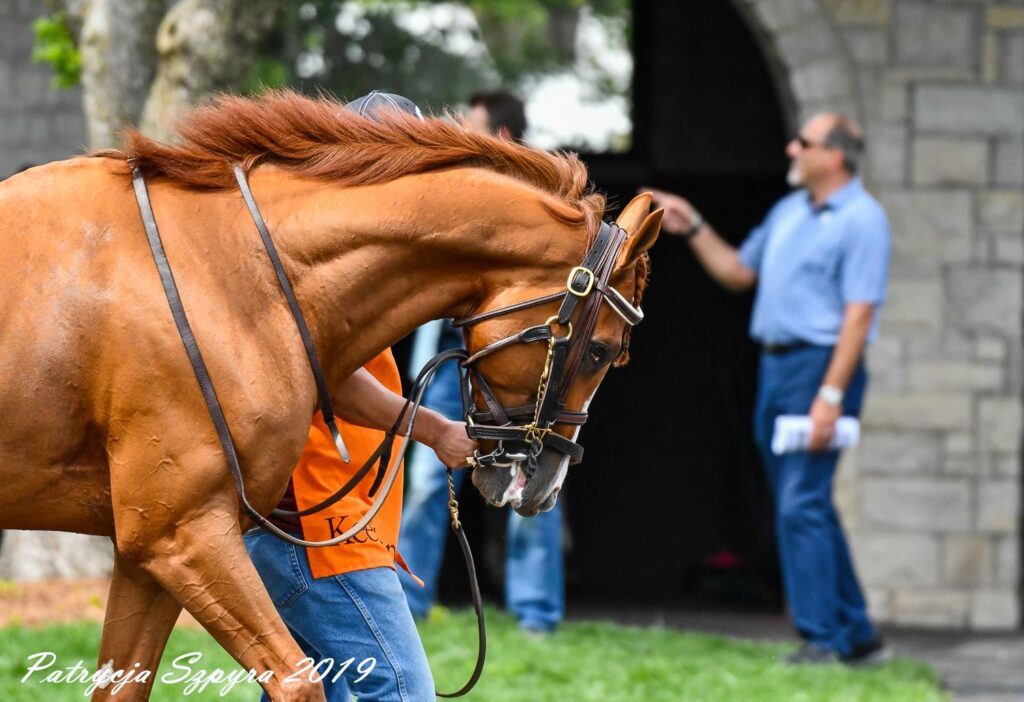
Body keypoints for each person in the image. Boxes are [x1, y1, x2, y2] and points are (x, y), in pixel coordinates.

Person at [244, 91, 477, 702]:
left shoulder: (319, 233)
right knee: (399, 691)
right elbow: (333, 378)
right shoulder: (325, 246)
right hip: (314, 528)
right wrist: (437, 430)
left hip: (298, 524)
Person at [647, 113, 891, 666]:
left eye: (802, 142)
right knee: (806, 504)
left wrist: (830, 395)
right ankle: (859, 635)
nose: (790, 148)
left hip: (821, 368)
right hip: (777, 369)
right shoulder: (788, 212)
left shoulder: (862, 220)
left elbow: (858, 317)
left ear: (834, 156)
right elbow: (737, 272)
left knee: (801, 502)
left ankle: (821, 639)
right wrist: (692, 225)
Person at [397, 90, 566, 635]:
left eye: (469, 126)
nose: (456, 133)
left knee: (533, 476)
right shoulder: (452, 188)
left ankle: (536, 614)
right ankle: (407, 604)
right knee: (425, 478)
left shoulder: (538, 198)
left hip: (512, 364)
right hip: (448, 358)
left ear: (501, 138)